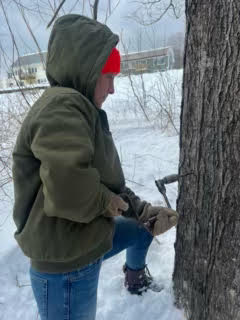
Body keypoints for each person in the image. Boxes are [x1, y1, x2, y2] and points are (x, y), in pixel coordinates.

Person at [12, 14, 179, 320]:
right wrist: (105, 202)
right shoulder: (62, 106)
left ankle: (135, 277)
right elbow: (68, 188)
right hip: (66, 265)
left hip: (86, 239)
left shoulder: (81, 109)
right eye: (110, 77)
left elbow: (106, 183)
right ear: (88, 71)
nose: (113, 90)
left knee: (141, 231)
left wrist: (144, 213)